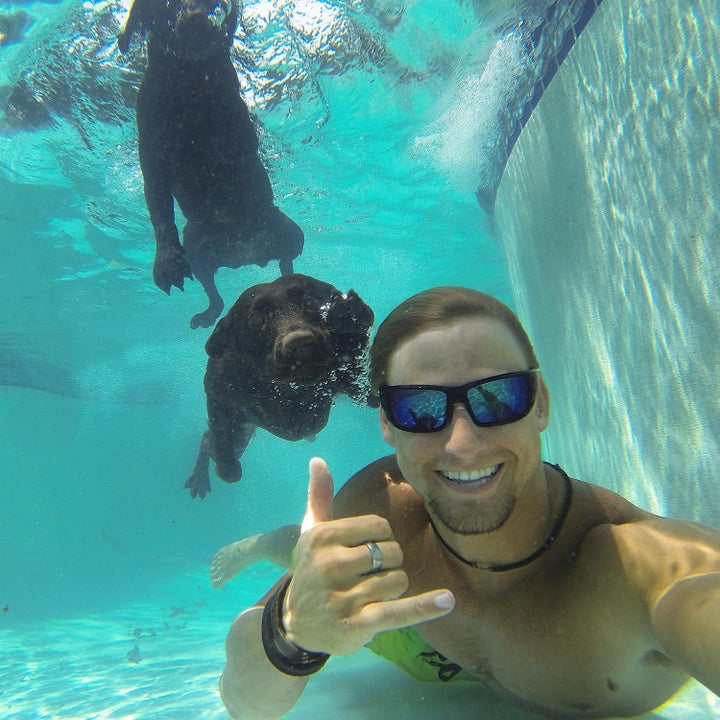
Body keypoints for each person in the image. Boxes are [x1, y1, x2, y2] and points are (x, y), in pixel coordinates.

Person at [218, 286, 720, 720]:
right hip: (412, 623)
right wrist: (291, 629)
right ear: (388, 423)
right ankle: (262, 545)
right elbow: (244, 704)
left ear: (541, 402)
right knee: (317, 552)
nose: (463, 443)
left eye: (499, 397)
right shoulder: (387, 508)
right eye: (421, 407)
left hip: (427, 613)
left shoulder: (640, 569)